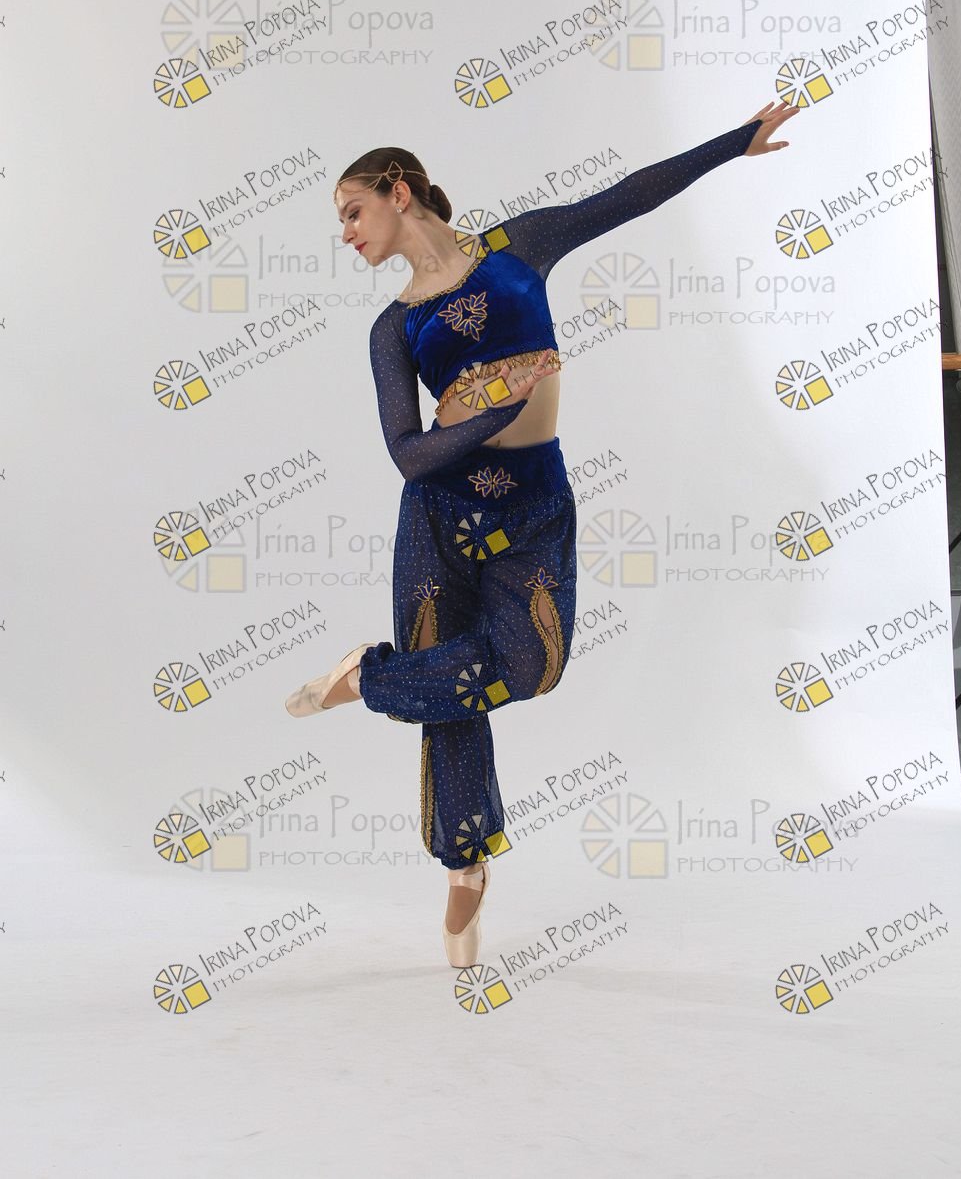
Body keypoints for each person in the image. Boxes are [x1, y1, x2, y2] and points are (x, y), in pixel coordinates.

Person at [284, 99, 800, 966]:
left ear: (399, 192)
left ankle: (365, 677)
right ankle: (465, 867)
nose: (347, 233)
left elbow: (626, 196)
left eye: (352, 211)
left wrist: (731, 145)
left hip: (533, 507)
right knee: (454, 688)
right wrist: (498, 409)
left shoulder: (517, 248)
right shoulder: (392, 327)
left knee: (532, 666)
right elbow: (408, 454)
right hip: (439, 517)